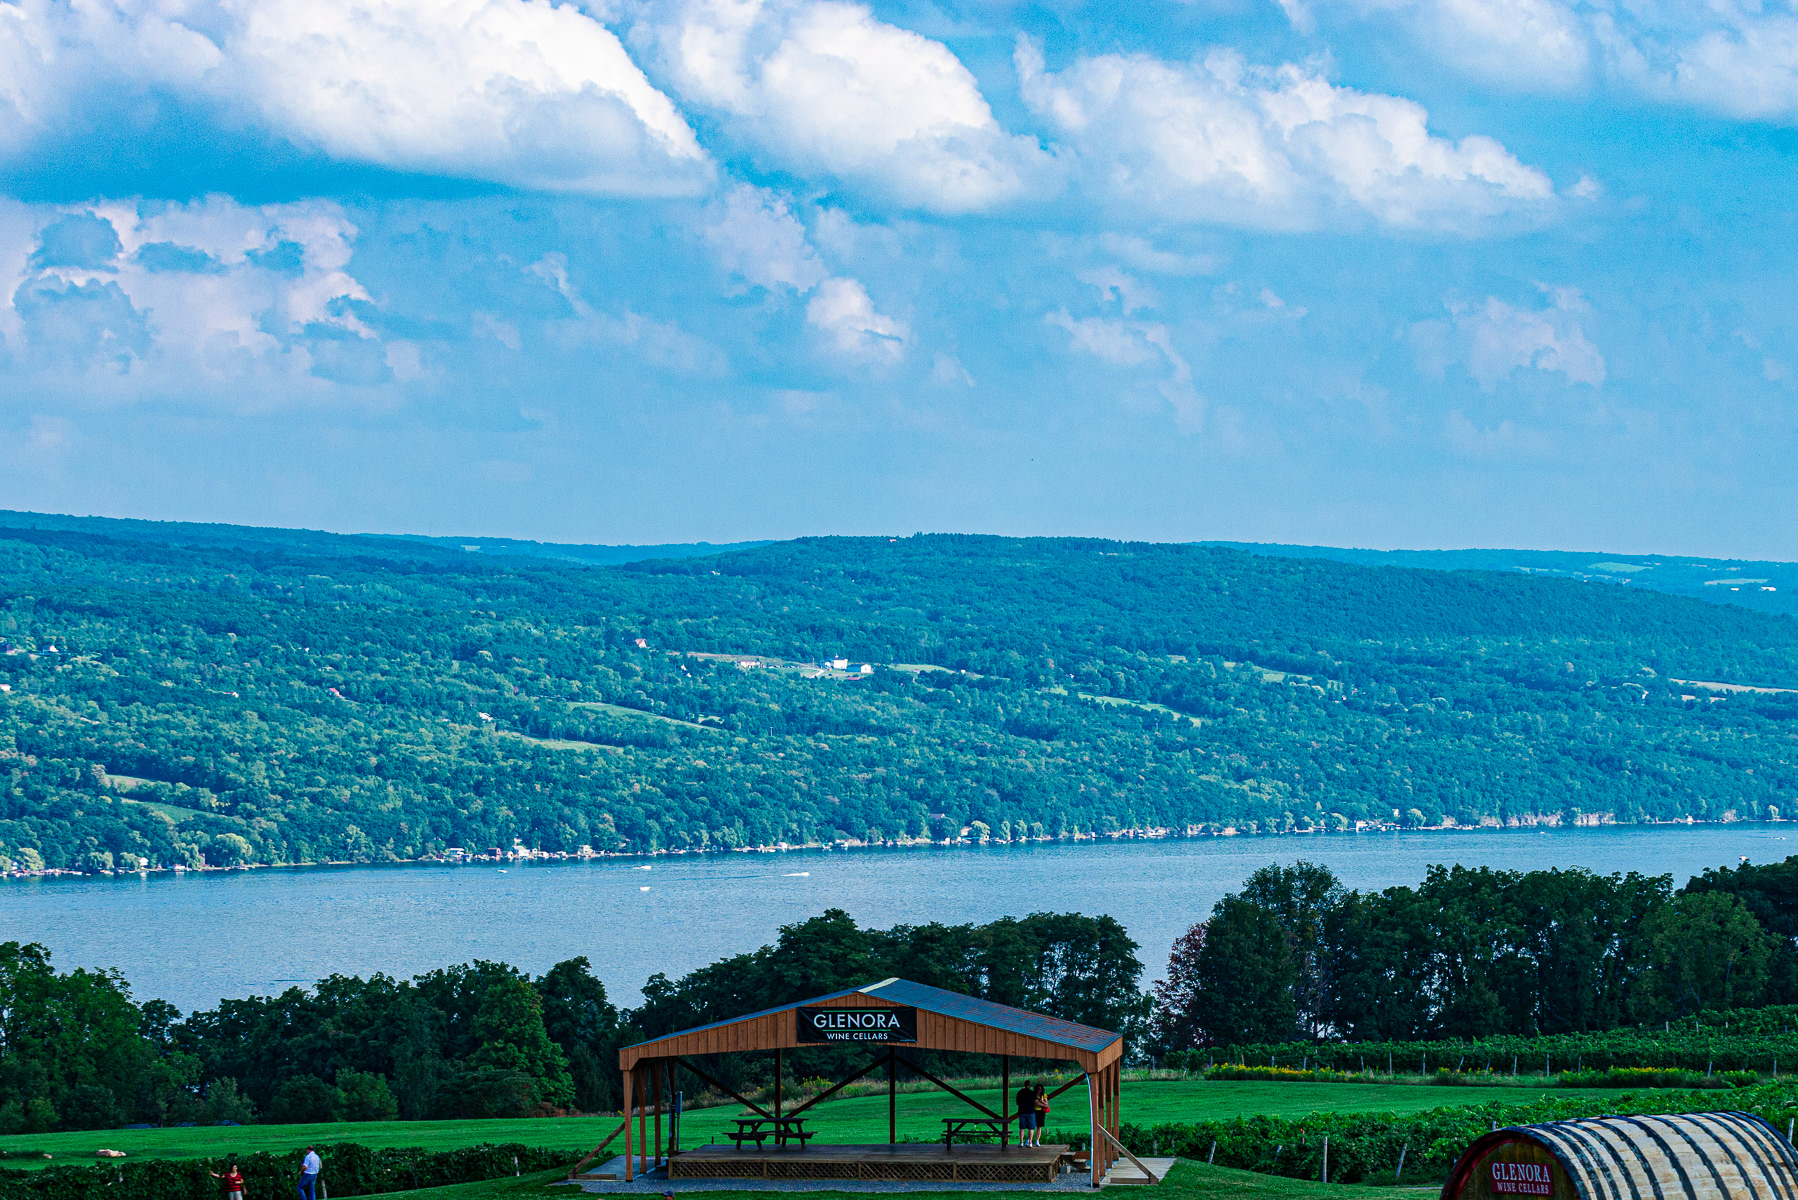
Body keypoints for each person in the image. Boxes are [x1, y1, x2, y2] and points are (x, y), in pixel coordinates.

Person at [1015, 1081, 1037, 1148]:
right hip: (1030, 1111)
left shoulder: (1020, 1092)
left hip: (1022, 1111)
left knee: (1022, 1128)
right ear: (1029, 1086)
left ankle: (1021, 1142)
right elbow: (1035, 1102)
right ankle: (1030, 1142)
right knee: (1031, 1128)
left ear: (1024, 1085)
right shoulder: (1032, 1093)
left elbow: (1017, 1102)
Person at [1034, 1082, 1051, 1147]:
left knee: (1039, 1126)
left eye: (1040, 1089)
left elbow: (1047, 1104)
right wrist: (1043, 1104)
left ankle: (1037, 1140)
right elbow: (1035, 1103)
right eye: (1038, 1089)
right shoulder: (1034, 1095)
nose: (1039, 1090)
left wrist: (1041, 1101)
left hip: (1041, 1112)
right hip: (1034, 1111)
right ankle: (1029, 1140)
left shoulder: (1044, 1095)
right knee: (1032, 1126)